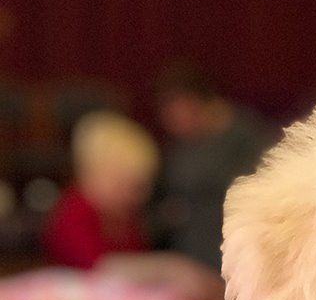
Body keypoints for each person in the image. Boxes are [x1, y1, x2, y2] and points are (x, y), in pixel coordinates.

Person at [155, 64, 280, 271]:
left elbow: (258, 189)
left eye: (178, 113)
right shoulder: (183, 147)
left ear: (197, 103)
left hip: (235, 247)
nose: (174, 124)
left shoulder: (245, 137)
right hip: (192, 254)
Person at [44, 112, 158, 269]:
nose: (132, 197)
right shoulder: (74, 213)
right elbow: (99, 266)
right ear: (91, 173)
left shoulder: (124, 218)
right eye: (121, 185)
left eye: (138, 187)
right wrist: (163, 267)